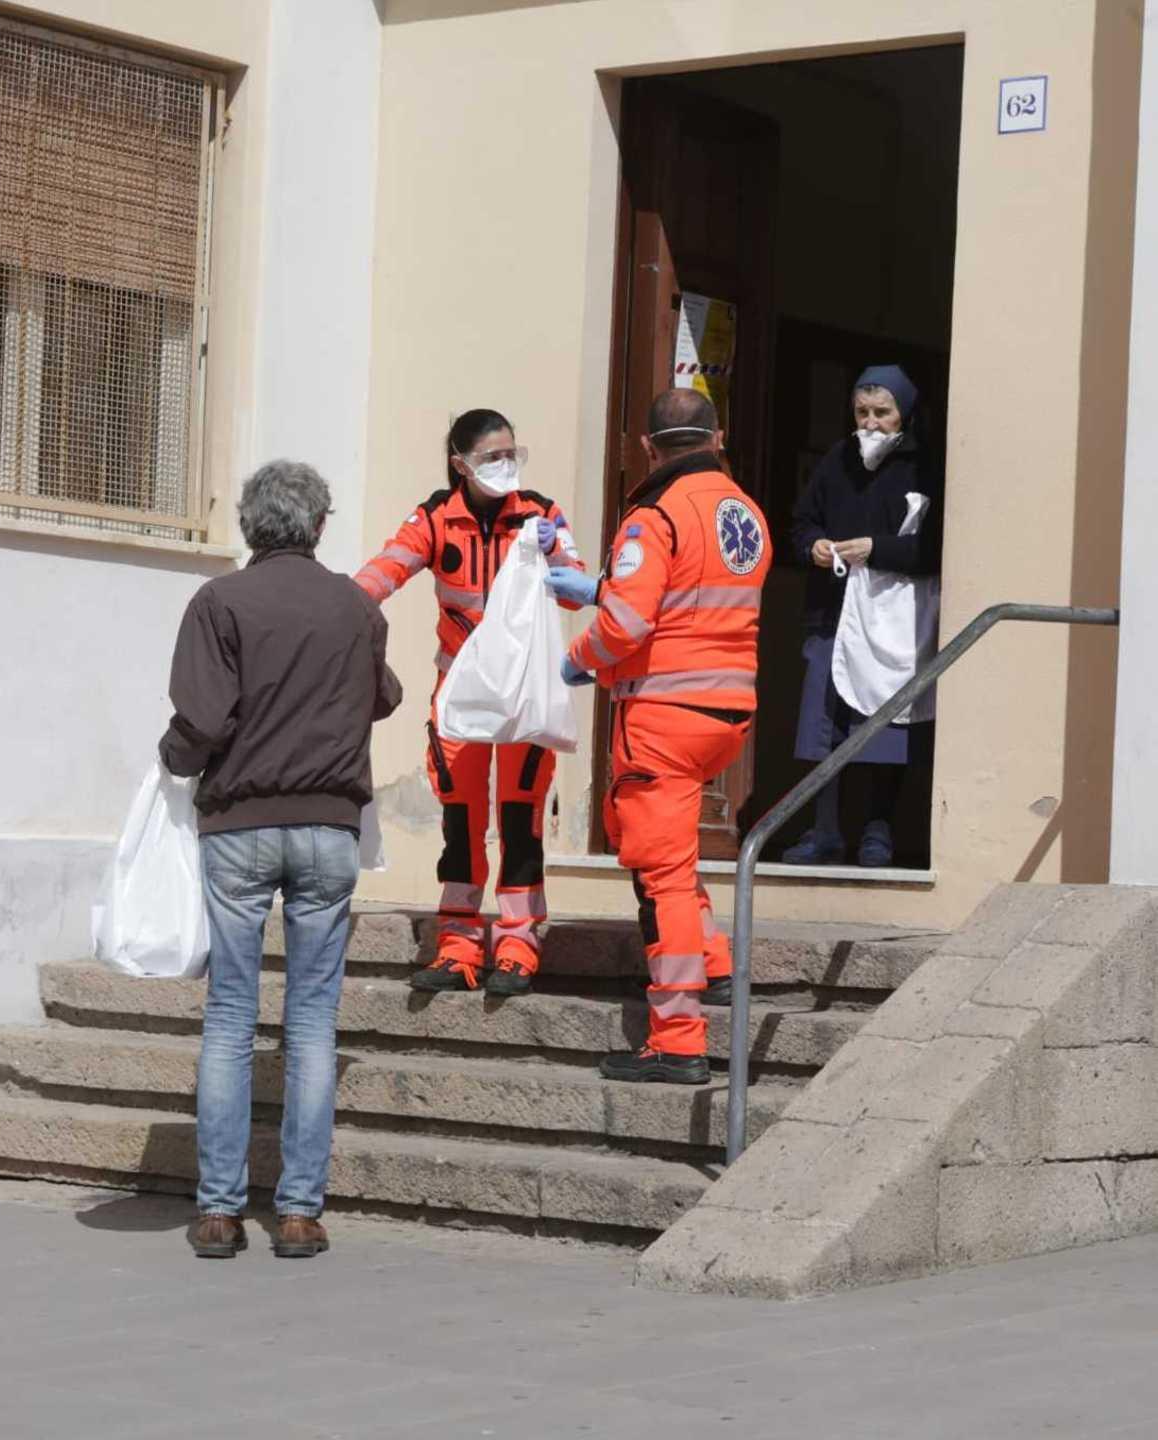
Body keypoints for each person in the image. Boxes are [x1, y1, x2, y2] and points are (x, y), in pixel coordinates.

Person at [159, 460, 402, 1261]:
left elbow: (201, 718)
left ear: (246, 525)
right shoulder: (356, 608)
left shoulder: (220, 601)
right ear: (321, 525)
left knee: (231, 1016)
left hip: (239, 824)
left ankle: (220, 1213)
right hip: (329, 827)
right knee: (311, 1023)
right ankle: (299, 1214)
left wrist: (169, 759)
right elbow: (384, 696)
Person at [550, 388, 771, 1084]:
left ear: (650, 448)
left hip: (665, 718)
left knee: (662, 878)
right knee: (678, 856)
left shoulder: (653, 515)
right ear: (719, 436)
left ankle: (677, 1036)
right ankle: (717, 966)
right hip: (727, 712)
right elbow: (691, 596)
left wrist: (577, 659)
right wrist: (597, 589)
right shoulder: (746, 511)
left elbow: (628, 627)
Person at [354, 409, 585, 996]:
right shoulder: (438, 518)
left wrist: (558, 558)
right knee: (461, 821)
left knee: (519, 818)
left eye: (513, 453)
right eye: (492, 456)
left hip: (523, 697)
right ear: (461, 463)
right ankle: (457, 944)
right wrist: (334, 606)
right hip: (460, 695)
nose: (506, 465)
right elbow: (386, 569)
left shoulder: (540, 514)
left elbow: (576, 588)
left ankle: (518, 945)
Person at [784, 364, 942, 868]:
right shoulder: (837, 460)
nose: (870, 424)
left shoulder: (926, 467)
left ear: (905, 416)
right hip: (833, 613)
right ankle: (823, 829)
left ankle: (878, 830)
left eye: (882, 413)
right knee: (824, 722)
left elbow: (936, 548)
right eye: (861, 413)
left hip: (895, 617)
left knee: (886, 722)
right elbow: (802, 522)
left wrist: (878, 549)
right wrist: (814, 547)